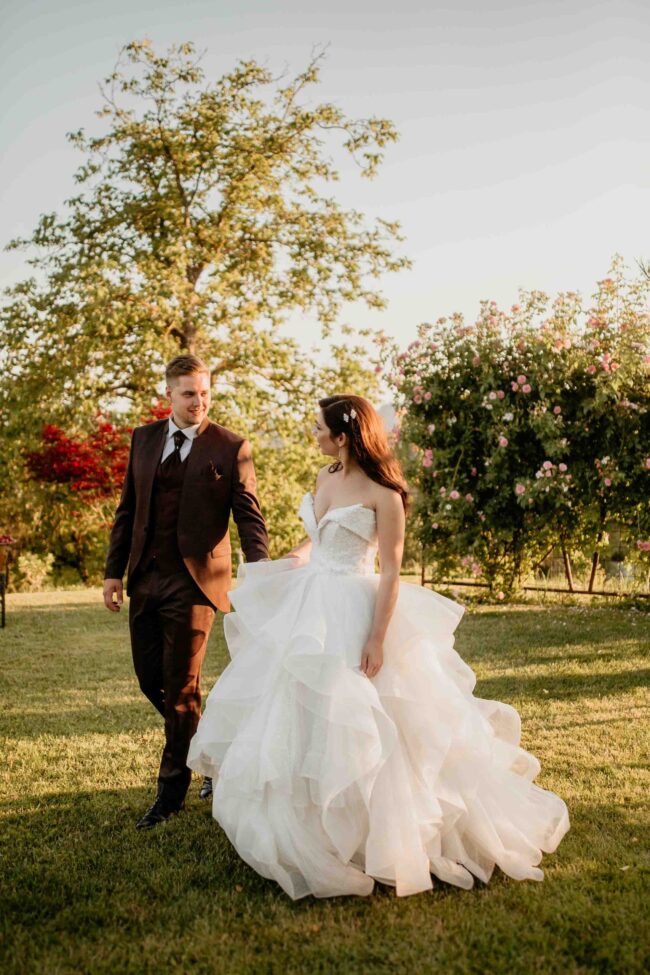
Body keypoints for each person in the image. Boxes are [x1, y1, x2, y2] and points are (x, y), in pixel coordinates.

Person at [188, 393, 569, 898]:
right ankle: (313, 825)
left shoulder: (385, 494)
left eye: (320, 428)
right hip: (312, 605)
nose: (314, 435)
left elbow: (390, 571)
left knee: (369, 720)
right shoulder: (325, 476)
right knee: (302, 710)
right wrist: (294, 559)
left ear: (344, 436)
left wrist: (376, 637)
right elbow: (321, 537)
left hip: (356, 607)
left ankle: (379, 833)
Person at [103, 354, 269, 829]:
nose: (199, 402)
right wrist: (114, 572)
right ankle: (211, 747)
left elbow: (249, 517)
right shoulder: (143, 438)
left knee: (180, 690)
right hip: (146, 576)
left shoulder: (231, 446)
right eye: (190, 393)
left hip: (196, 583)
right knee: (148, 678)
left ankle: (170, 796)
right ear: (169, 395)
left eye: (205, 393)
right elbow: (128, 509)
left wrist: (261, 573)